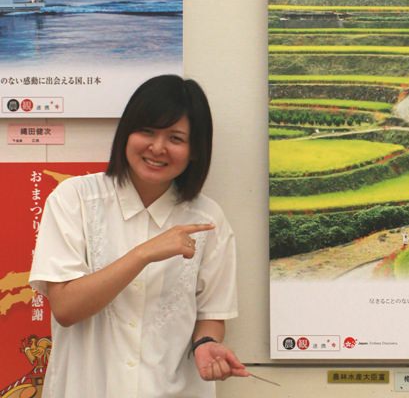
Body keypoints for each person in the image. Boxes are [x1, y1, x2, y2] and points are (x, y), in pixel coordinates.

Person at [29, 75, 250, 397]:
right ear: (126, 134)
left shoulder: (208, 219)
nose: (157, 148)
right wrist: (143, 254)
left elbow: (212, 314)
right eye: (147, 131)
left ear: (195, 151)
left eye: (175, 138)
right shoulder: (74, 198)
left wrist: (206, 343)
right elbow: (65, 308)